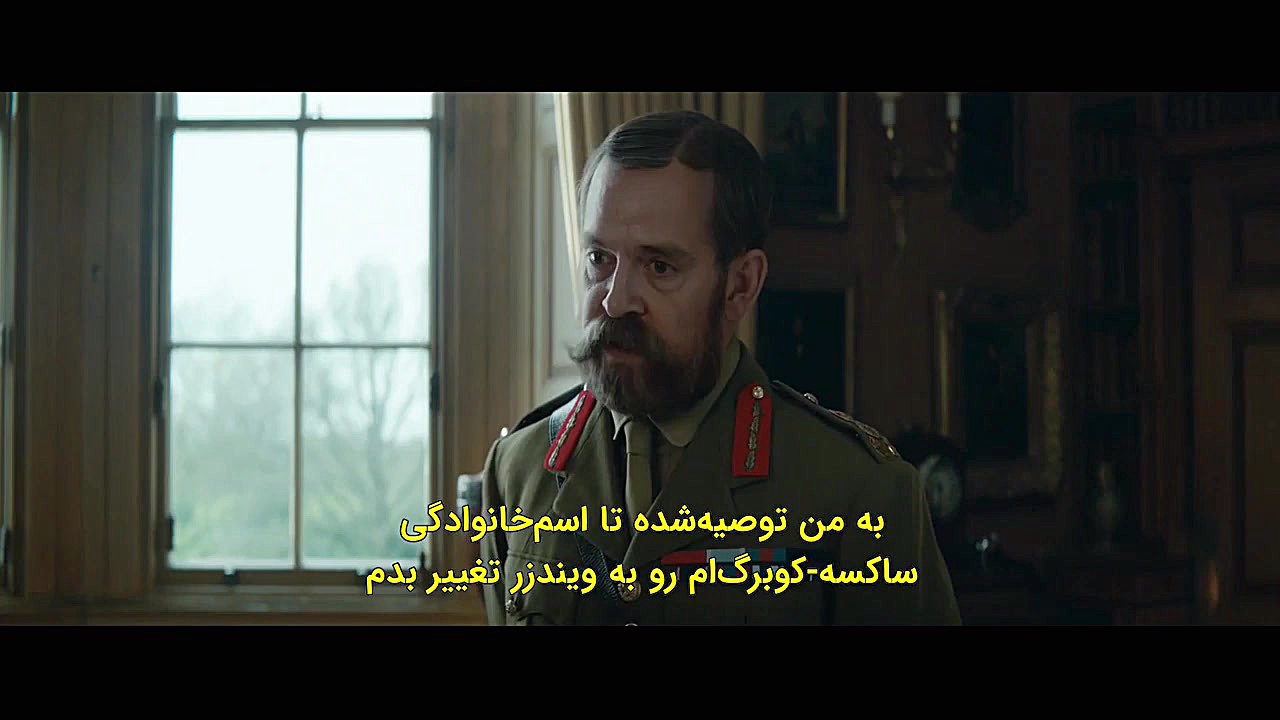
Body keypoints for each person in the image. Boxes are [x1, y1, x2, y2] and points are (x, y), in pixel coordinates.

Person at [478, 109, 961, 625]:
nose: (615, 301)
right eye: (600, 259)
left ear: (740, 286)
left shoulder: (858, 492)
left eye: (659, 266)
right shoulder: (518, 471)